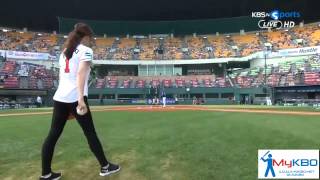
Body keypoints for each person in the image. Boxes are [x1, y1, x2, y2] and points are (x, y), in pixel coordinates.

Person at [40, 23, 120, 180]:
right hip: (76, 98)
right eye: (91, 37)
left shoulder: (64, 52)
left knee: (52, 135)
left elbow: (64, 77)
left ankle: (46, 174)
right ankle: (105, 167)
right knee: (90, 133)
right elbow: (81, 75)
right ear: (85, 37)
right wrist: (80, 100)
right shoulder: (86, 51)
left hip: (60, 97)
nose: (91, 41)